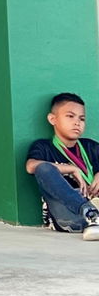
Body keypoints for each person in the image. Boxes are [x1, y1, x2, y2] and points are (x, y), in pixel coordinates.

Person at [25, 93, 99, 239]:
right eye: (70, 116)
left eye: (81, 119)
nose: (77, 122)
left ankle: (95, 219)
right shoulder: (44, 147)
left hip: (95, 200)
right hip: (69, 213)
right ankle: (90, 214)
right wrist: (71, 168)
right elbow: (31, 166)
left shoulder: (90, 146)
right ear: (53, 119)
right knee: (44, 168)